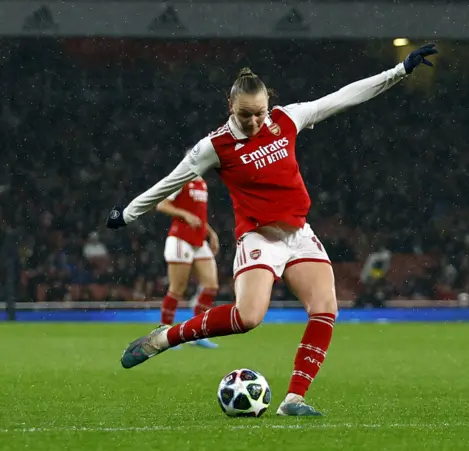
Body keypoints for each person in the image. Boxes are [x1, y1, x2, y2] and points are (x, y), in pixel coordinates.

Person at [106, 44, 438, 416]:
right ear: (231, 107)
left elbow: (344, 96)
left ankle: (293, 399)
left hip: (299, 233)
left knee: (325, 309)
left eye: (259, 113)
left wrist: (399, 71)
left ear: (269, 105)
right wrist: (129, 214)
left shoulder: (286, 118)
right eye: (246, 115)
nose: (254, 122)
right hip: (259, 237)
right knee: (248, 317)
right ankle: (163, 338)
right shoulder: (213, 147)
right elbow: (169, 183)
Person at [156, 177, 220, 349]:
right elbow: (161, 204)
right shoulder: (180, 180)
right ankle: (164, 333)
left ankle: (197, 333)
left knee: (211, 286)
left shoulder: (202, 184)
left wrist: (211, 233)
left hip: (199, 239)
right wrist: (184, 214)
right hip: (180, 238)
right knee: (177, 288)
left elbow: (199, 215)